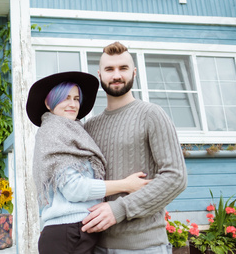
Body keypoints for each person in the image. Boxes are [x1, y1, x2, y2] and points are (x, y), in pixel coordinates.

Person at [26, 71, 151, 254]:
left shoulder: (72, 132)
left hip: (73, 231)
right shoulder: (54, 133)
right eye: (65, 98)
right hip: (68, 233)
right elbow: (74, 188)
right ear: (48, 102)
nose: (73, 104)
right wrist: (126, 185)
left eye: (76, 99)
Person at [82, 42, 188, 253]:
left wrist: (119, 209)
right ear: (100, 75)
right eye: (109, 69)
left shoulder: (151, 114)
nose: (116, 75)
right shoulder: (90, 127)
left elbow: (176, 177)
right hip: (96, 245)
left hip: (144, 246)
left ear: (134, 72)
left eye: (123, 68)